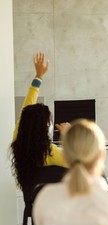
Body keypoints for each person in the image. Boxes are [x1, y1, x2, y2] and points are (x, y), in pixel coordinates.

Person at [10, 52, 69, 202]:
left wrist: (38, 77)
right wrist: (69, 135)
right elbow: (83, 162)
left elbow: (26, 108)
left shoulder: (18, 140)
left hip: (33, 204)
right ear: (45, 128)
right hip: (60, 205)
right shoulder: (51, 153)